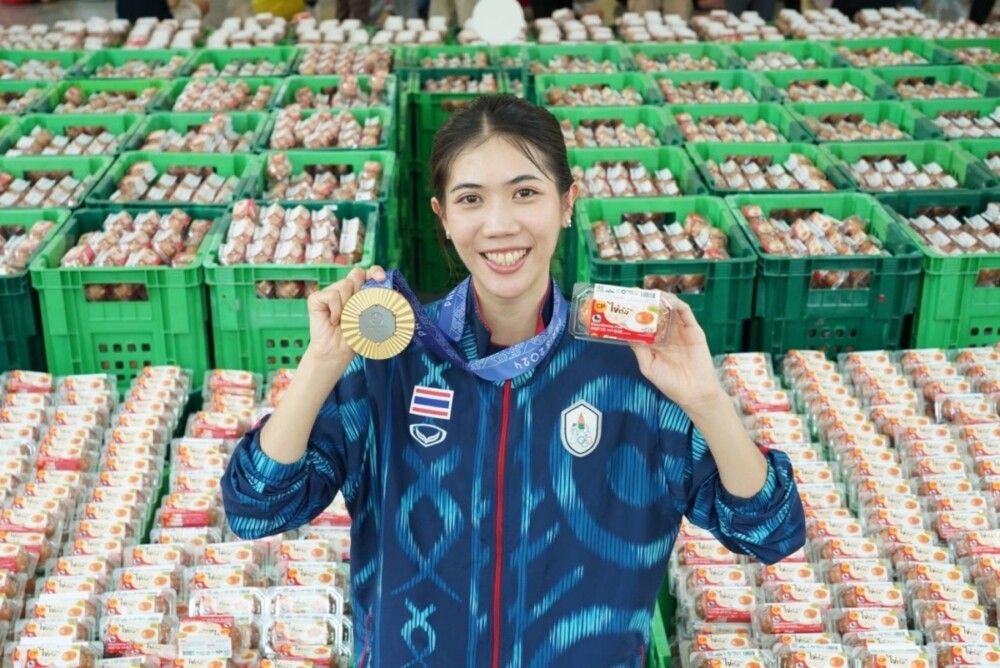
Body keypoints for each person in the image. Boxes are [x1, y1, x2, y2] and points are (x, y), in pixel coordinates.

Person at [221, 94, 806, 667]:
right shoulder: (393, 359)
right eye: (470, 199)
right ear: (443, 217)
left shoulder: (630, 365)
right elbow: (256, 508)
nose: (499, 225)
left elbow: (770, 529)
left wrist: (706, 399)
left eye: (525, 193)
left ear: (567, 203)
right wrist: (321, 365)